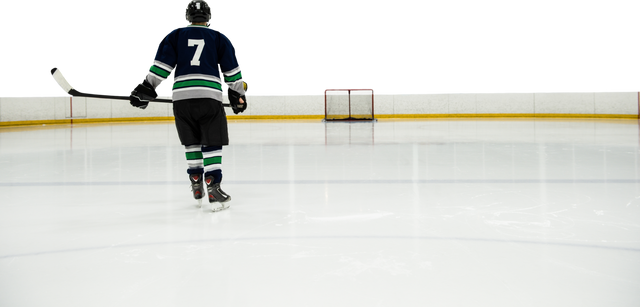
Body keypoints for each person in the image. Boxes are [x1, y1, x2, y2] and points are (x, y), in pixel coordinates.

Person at [128, 0, 247, 210]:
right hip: (209, 96)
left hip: (181, 98)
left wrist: (145, 89)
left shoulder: (173, 35)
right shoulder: (220, 37)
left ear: (188, 16)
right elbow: (232, 71)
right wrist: (238, 95)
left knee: (191, 141)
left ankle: (196, 183)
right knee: (212, 141)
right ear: (209, 16)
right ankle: (213, 184)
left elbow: (160, 68)